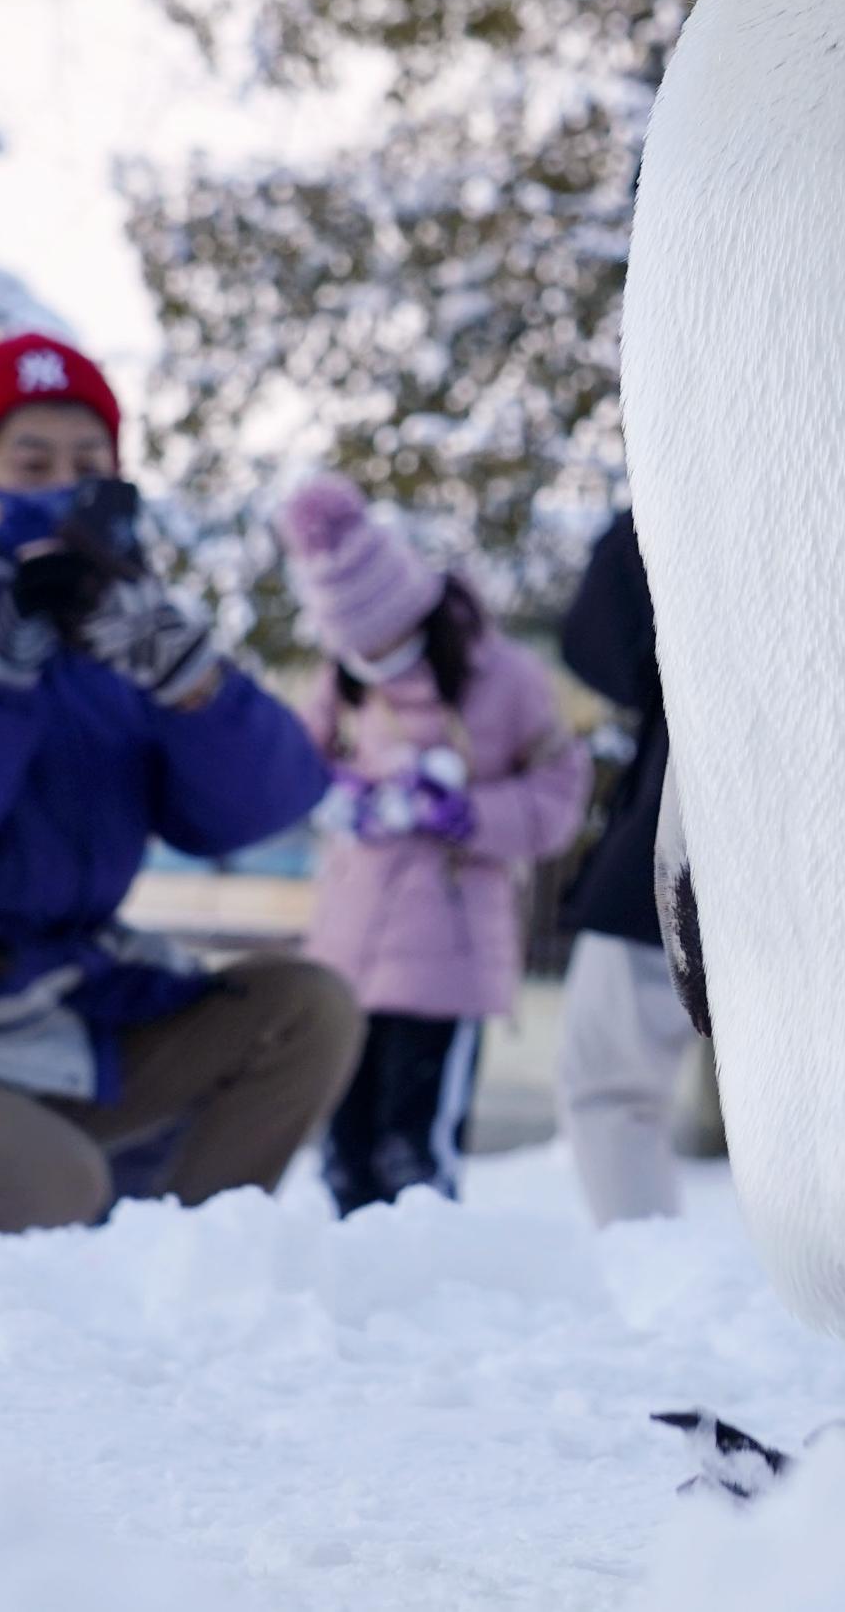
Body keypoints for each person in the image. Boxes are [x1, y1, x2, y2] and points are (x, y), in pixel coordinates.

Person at [0, 334, 359, 1231]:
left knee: (305, 1008)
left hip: (67, 1013)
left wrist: (191, 681)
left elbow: (261, 808)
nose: (63, 484)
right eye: (31, 460)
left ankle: (171, 1273)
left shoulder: (119, 629)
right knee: (50, 1181)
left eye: (88, 462)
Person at [279, 474, 589, 1214]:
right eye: (349, 646)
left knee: (412, 1153)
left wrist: (470, 813)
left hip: (448, 951)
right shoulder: (343, 680)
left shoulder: (505, 678)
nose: (366, 658)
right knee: (344, 1150)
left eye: (375, 639)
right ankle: (352, 1290)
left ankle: (425, 1298)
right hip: (349, 948)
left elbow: (560, 794)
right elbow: (292, 765)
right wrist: (341, 799)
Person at [551, 509, 700, 1223]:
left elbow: (599, 641)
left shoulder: (698, 479)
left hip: (682, 830)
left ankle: (651, 1276)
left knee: (611, 1085)